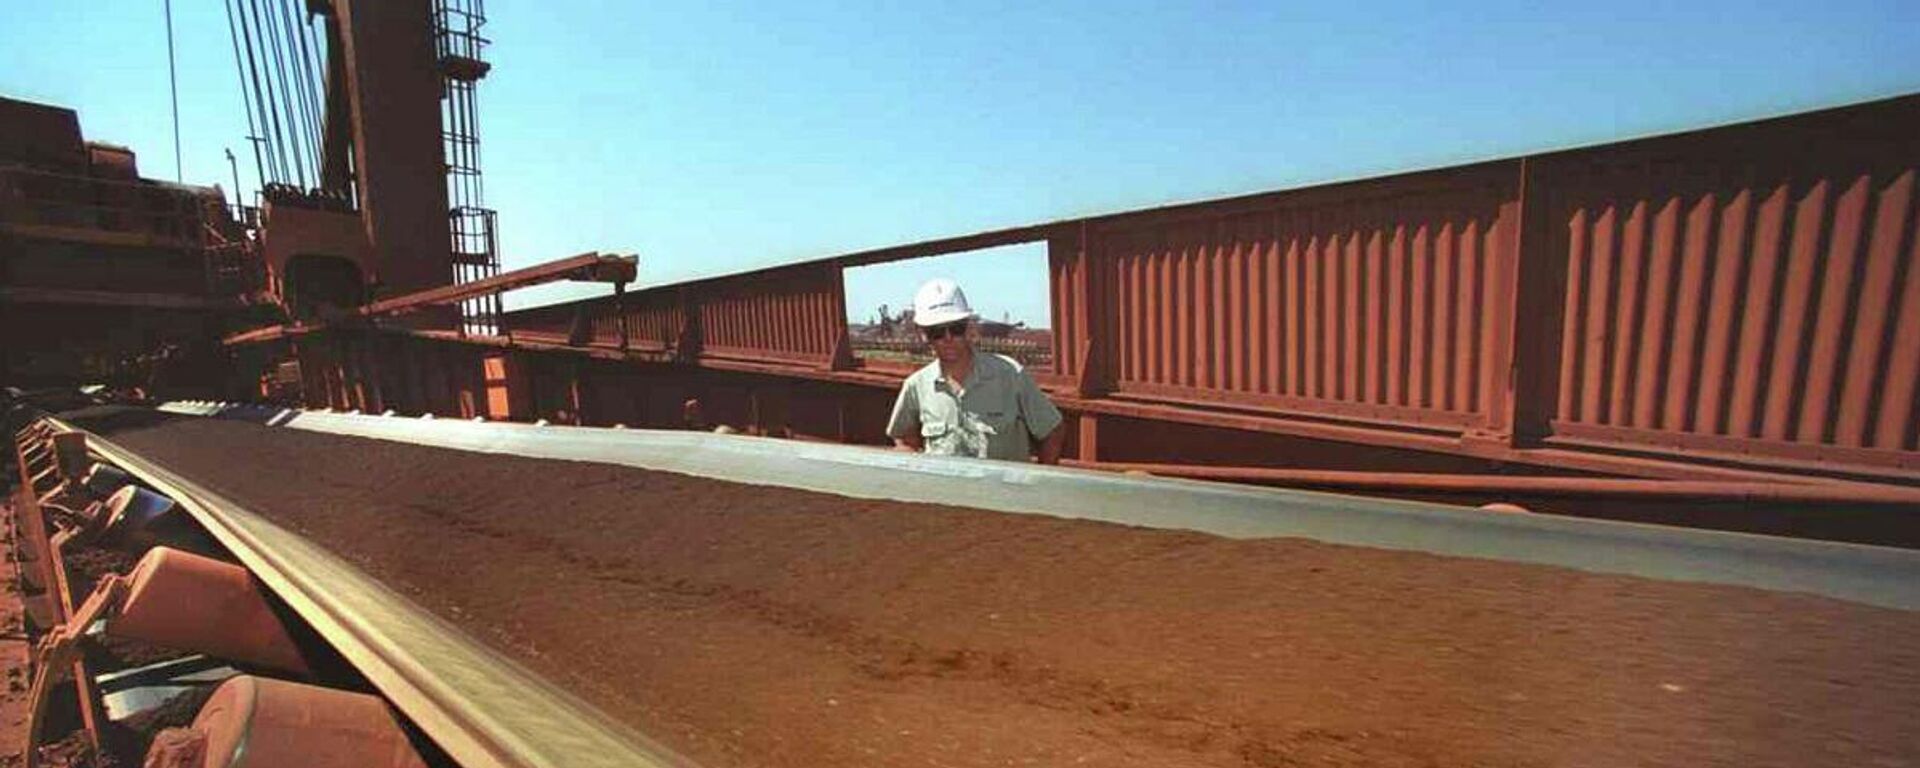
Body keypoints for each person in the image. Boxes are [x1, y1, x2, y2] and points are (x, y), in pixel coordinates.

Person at [886, 278, 1064, 464]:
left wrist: (1036, 487)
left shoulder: (1010, 375)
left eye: (956, 329)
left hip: (1001, 492)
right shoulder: (916, 386)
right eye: (937, 332)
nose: (948, 338)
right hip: (944, 492)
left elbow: (1052, 431)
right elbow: (904, 441)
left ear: (968, 327)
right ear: (924, 335)